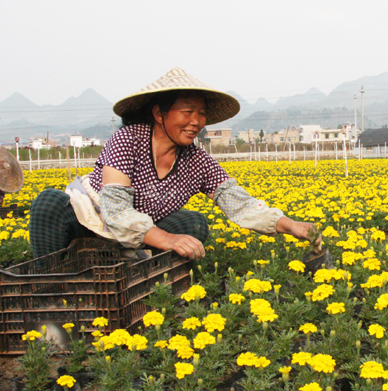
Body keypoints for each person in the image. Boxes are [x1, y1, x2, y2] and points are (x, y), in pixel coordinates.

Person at [29, 67, 319, 259]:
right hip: (93, 221)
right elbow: (115, 213)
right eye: (187, 111)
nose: (196, 122)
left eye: (202, 114)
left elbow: (239, 203)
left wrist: (289, 225)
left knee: (193, 223)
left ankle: (144, 275)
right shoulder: (128, 140)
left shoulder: (197, 161)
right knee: (49, 203)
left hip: (139, 236)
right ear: (159, 113)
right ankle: (49, 285)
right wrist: (165, 239)